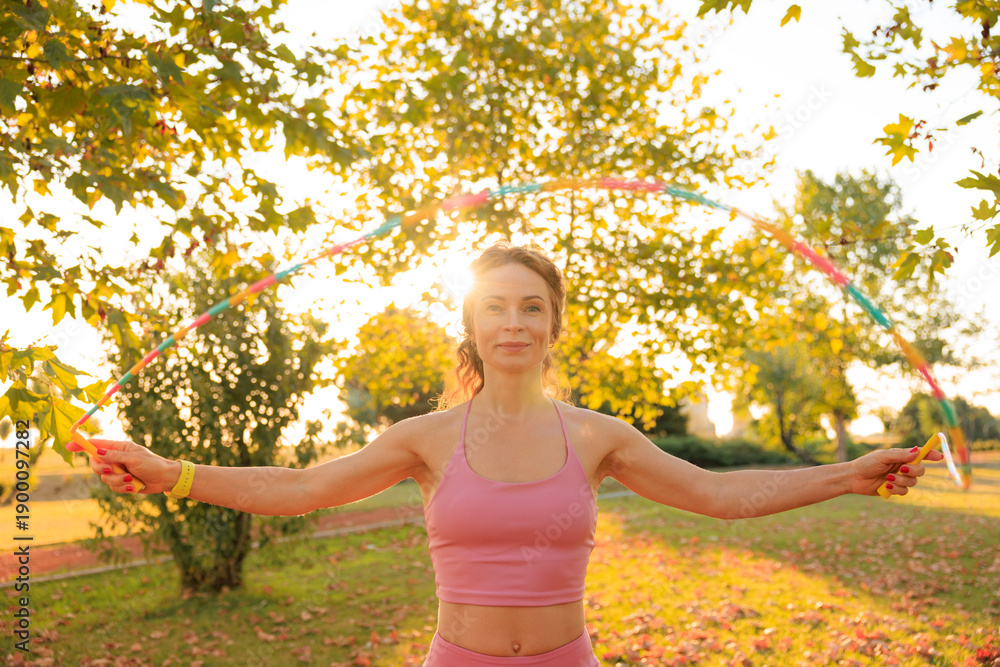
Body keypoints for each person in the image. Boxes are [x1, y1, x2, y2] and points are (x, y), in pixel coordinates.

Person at [68, 242, 942, 666]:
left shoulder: (599, 435)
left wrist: (848, 474)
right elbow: (302, 486)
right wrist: (170, 471)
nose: (514, 322)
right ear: (471, 324)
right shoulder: (426, 438)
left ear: (554, 323)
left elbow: (716, 495)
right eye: (496, 307)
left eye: (531, 306)